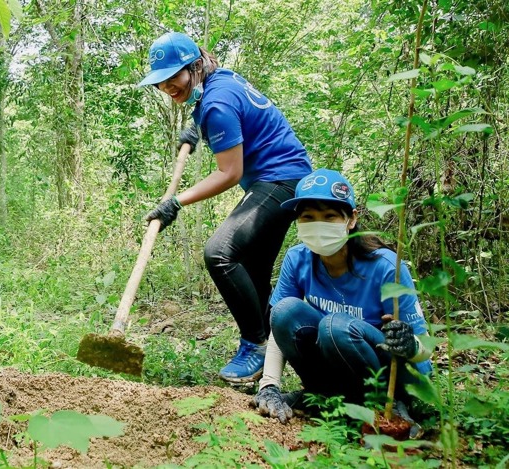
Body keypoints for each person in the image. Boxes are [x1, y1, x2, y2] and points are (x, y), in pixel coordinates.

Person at [139, 32, 313, 383]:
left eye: (174, 77)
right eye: (161, 82)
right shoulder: (221, 81)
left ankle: (256, 344)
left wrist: (176, 202)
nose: (168, 87)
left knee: (220, 253)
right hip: (288, 177)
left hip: (279, 181)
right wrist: (195, 126)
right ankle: (275, 349)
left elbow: (229, 173)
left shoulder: (216, 105)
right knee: (252, 266)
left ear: (194, 66)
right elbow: (227, 111)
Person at [251, 169, 432, 429]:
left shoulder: (385, 267)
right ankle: (329, 397)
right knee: (284, 310)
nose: (318, 224)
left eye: (329, 216)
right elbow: (280, 326)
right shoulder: (297, 258)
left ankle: (387, 407)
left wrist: (409, 344)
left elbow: (424, 351)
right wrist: (269, 385)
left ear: (351, 219)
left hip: (389, 373)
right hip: (335, 362)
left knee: (335, 326)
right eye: (308, 217)